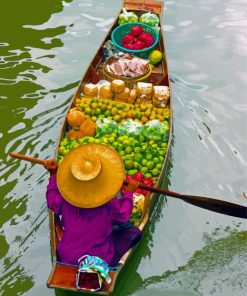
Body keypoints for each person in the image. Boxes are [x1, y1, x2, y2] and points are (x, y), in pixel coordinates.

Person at [44, 143, 142, 267]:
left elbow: (52, 201)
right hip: (100, 259)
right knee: (134, 232)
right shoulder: (107, 204)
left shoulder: (65, 199)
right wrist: (129, 193)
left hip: (67, 256)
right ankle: (111, 263)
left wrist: (53, 174)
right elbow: (123, 215)